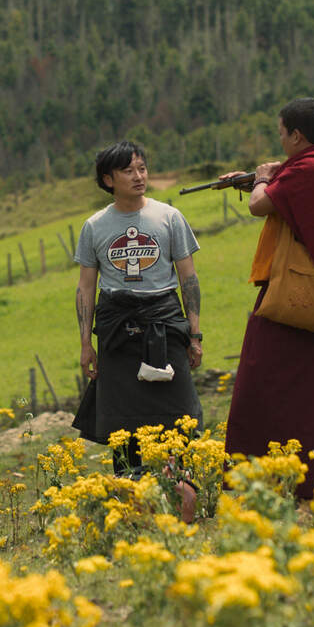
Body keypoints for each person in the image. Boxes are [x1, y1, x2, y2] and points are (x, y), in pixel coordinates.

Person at [221, 98, 314, 500]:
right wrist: (271, 173)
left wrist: (260, 178)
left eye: (281, 133)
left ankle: (261, 479)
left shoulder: (309, 168)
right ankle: (308, 477)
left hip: (294, 296)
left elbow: (260, 205)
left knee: (257, 385)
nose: (281, 139)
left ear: (296, 135)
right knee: (308, 393)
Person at [73, 142, 204, 487]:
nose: (139, 176)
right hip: (117, 328)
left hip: (165, 321)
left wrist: (195, 333)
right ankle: (130, 492)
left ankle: (183, 488)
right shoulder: (94, 226)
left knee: (181, 412)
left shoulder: (169, 217)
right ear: (108, 179)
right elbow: (86, 287)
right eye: (129, 170)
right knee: (121, 420)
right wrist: (86, 344)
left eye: (142, 168)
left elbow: (188, 277)